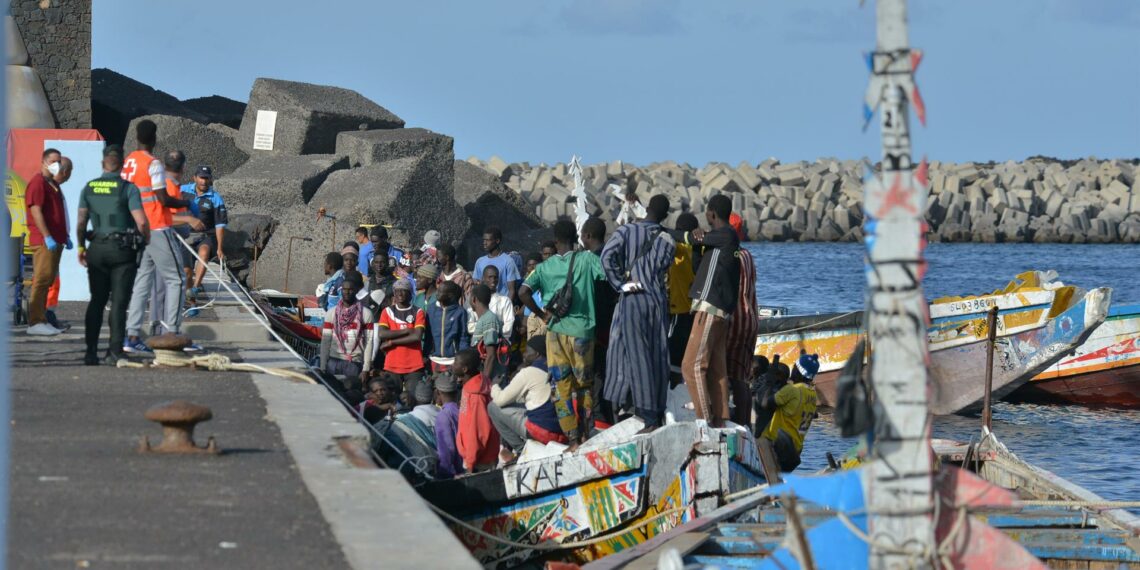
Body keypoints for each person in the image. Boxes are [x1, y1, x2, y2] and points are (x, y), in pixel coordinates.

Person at [518, 220, 606, 446]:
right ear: (575, 237)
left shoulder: (543, 268)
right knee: (584, 386)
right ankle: (586, 433)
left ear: (555, 241)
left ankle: (573, 439)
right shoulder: (587, 259)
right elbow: (608, 276)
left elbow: (523, 292)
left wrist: (542, 314)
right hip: (582, 333)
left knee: (562, 386)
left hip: (555, 333)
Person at [122, 120, 200, 353]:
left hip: (138, 227)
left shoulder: (129, 162)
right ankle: (172, 333)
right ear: (154, 138)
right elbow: (162, 199)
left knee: (142, 283)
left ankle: (132, 337)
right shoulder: (153, 164)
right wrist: (186, 203)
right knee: (176, 279)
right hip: (157, 226)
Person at [600, 195, 677, 431]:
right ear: (665, 215)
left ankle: (647, 416)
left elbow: (606, 257)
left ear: (647, 208)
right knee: (658, 355)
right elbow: (663, 268)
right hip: (657, 301)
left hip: (634, 298)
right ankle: (657, 408)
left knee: (636, 355)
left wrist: (619, 284)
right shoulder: (668, 239)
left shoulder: (626, 231)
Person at [75, 145, 149, 363]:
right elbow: (142, 221)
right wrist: (146, 238)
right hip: (122, 252)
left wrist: (81, 248)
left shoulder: (89, 188)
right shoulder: (128, 188)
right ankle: (115, 350)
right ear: (123, 165)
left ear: (102, 163)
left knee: (96, 300)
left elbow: (81, 222)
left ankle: (90, 352)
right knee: (118, 302)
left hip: (96, 249)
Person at [678, 194, 740, 427]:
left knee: (691, 366)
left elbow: (688, 239)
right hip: (719, 311)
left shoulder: (724, 235)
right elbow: (698, 265)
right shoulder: (719, 242)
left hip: (710, 309)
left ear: (711, 213)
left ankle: (705, 421)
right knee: (716, 369)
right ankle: (723, 419)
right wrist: (697, 241)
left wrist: (667, 232)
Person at [489, 335, 566, 463]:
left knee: (492, 407)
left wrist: (494, 385)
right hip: (560, 429)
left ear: (536, 353)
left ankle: (520, 449)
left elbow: (500, 400)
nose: (524, 354)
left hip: (541, 431)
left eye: (527, 351)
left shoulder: (528, 372)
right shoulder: (555, 368)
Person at [24, 152, 72, 336]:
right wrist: (47, 236)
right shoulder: (38, 183)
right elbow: (36, 211)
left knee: (47, 280)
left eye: (59, 162)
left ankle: (42, 319)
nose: (57, 165)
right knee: (42, 280)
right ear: (43, 161)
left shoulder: (52, 185)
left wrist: (63, 236)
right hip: (44, 241)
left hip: (55, 240)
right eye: (53, 161)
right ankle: (35, 321)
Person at [581, 217, 616, 427]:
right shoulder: (611, 256)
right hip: (612, 324)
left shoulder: (592, 261)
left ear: (587, 236)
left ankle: (601, 421)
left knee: (597, 377)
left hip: (598, 328)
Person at [725, 213, 759, 427]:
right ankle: (745, 424)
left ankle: (734, 423)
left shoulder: (730, 255)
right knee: (743, 378)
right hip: (751, 318)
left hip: (735, 320)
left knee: (729, 376)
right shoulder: (747, 255)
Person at [319, 270, 375, 393]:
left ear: (355, 291)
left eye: (350, 289)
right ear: (341, 291)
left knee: (350, 396)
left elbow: (369, 342)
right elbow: (325, 341)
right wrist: (323, 366)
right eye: (344, 289)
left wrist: (366, 368)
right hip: (333, 361)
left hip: (354, 364)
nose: (347, 292)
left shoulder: (366, 314)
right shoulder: (331, 313)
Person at [375, 278, 428, 404]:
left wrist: (393, 342)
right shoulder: (387, 311)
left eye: (404, 291)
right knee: (392, 401)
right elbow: (382, 333)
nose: (400, 293)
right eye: (397, 291)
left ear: (410, 294)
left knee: (413, 400)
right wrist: (407, 331)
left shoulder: (418, 312)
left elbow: (417, 336)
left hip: (414, 365)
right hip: (392, 364)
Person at [763, 354, 819, 472]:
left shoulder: (793, 390)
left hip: (781, 446)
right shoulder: (813, 394)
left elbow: (766, 403)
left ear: (798, 371)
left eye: (794, 367)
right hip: (796, 450)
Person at [453, 348, 500, 473]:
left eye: (455, 362)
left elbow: (478, 430)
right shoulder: (470, 388)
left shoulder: (476, 396)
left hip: (479, 460)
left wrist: (470, 463)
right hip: (475, 457)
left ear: (464, 369)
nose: (452, 365)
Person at [184, 166, 228, 294]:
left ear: (210, 180)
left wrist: (220, 248)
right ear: (195, 178)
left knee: (204, 253)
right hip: (185, 235)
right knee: (186, 270)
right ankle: (188, 288)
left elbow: (220, 225)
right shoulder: (182, 190)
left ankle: (195, 287)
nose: (203, 181)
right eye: (201, 178)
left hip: (204, 235)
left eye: (206, 178)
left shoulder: (216, 198)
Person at [667, 213, 699, 374]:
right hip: (694, 310)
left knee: (674, 354)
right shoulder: (699, 248)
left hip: (678, 308)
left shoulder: (678, 248)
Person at [425, 281, 471, 373]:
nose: (437, 293)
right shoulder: (431, 309)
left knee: (450, 386)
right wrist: (425, 354)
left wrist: (462, 359)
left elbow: (463, 337)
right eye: (438, 290)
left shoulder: (460, 312)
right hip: (433, 359)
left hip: (452, 361)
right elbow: (428, 335)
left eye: (440, 291)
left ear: (450, 295)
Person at [470, 284, 506, 383]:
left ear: (474, 299)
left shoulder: (489, 319)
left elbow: (491, 356)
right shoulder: (485, 318)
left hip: (492, 380)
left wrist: (484, 383)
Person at [467, 264, 513, 340]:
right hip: (478, 343)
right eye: (490, 277)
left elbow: (508, 327)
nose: (493, 280)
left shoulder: (505, 300)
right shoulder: (474, 299)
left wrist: (489, 331)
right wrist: (494, 327)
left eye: (496, 277)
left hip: (499, 344)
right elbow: (470, 327)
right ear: (483, 278)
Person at [473, 226, 520, 299]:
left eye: (488, 240)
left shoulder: (508, 261)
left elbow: (511, 290)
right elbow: (477, 285)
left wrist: (506, 306)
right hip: (485, 304)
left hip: (501, 305)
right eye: (484, 240)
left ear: (497, 241)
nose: (484, 243)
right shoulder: (480, 261)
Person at [432, 374, 463, 478]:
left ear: (438, 392)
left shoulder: (443, 416)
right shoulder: (463, 409)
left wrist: (443, 473)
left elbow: (446, 450)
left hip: (460, 473)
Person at [522, 252, 547, 340]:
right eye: (529, 265)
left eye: (535, 265)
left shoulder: (547, 291)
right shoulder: (530, 294)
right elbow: (525, 321)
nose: (532, 268)